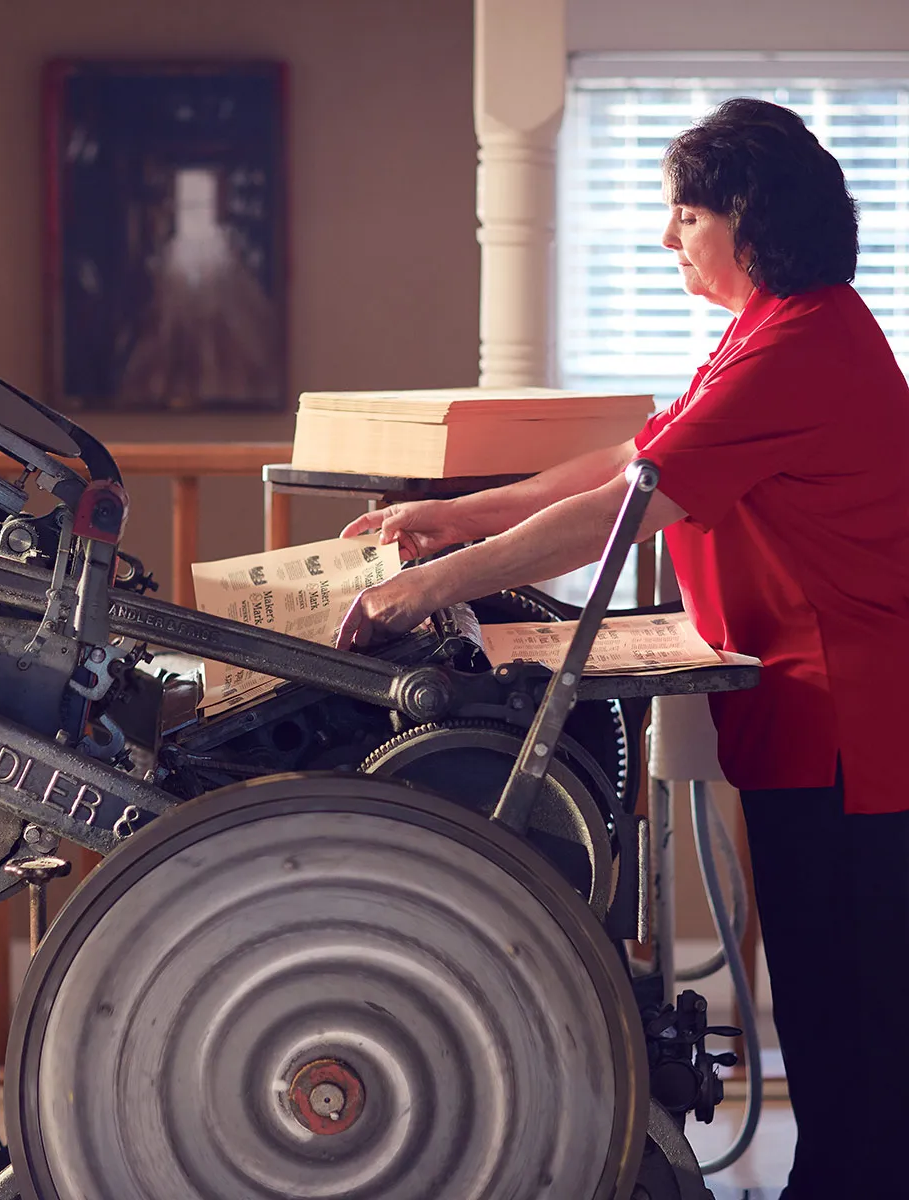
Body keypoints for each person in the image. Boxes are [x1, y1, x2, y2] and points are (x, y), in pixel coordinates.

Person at [337, 97, 909, 1200]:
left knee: (850, 1005)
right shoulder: (776, 327)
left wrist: (433, 588)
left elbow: (628, 508)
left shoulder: (801, 344)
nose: (667, 239)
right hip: (811, 706)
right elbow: (628, 461)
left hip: (854, 722)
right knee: (833, 995)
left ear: (748, 220)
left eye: (683, 215)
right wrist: (455, 522)